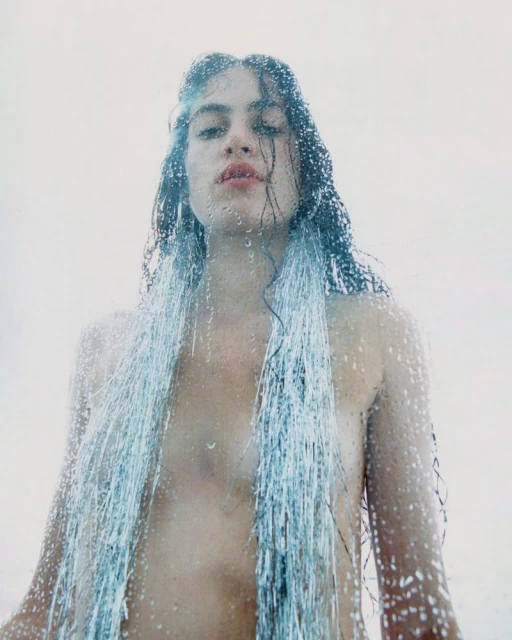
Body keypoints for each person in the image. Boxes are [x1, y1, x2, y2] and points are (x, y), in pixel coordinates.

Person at [0, 53, 463, 640]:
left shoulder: (371, 336)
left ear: (304, 166)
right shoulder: (108, 350)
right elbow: (44, 606)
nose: (238, 140)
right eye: (211, 128)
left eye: (267, 126)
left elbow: (418, 612)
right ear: (182, 172)